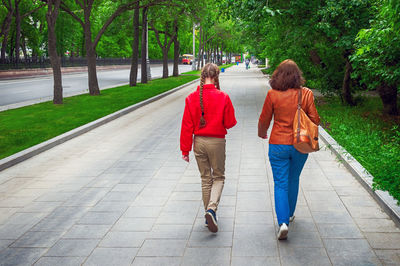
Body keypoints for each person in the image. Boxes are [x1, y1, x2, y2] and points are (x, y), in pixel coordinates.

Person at [258, 59, 320, 240]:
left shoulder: (272, 94)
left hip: (278, 143)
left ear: (278, 75)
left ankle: (283, 222)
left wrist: (262, 133)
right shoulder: (306, 94)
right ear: (297, 75)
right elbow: (315, 119)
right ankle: (290, 214)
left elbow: (264, 119)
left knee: (280, 183)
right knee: (293, 179)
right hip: (300, 144)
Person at [180, 63, 237, 233]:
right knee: (218, 177)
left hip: (199, 142)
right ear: (216, 76)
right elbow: (230, 122)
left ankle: (208, 216)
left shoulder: (191, 98)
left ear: (202, 76)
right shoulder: (223, 97)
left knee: (206, 179)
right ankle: (211, 209)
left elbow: (186, 126)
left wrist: (185, 150)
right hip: (217, 142)